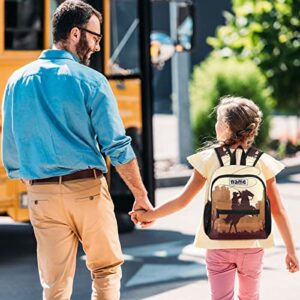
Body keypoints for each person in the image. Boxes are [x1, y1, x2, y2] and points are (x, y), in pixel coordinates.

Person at [1, 1, 153, 299]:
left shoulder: (16, 80)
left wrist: (34, 182)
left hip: (41, 195)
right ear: (74, 33)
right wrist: (140, 195)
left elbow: (11, 144)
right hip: (87, 190)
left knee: (54, 284)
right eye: (95, 37)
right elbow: (117, 145)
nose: (96, 46)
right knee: (105, 270)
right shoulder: (91, 80)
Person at [130, 96, 299, 299]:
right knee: (250, 297)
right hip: (253, 246)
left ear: (226, 126)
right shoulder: (262, 162)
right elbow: (279, 210)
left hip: (218, 244)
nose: (216, 124)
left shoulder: (209, 159)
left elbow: (182, 200)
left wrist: (151, 214)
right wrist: (290, 250)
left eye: (218, 120)